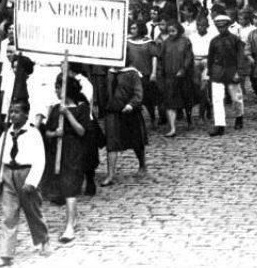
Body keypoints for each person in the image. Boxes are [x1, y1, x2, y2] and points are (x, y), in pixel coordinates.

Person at [0, 99, 50, 266]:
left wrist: (32, 181)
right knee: (8, 215)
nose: (13, 115)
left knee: (33, 212)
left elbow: (40, 159)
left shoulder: (33, 134)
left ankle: (43, 239)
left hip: (26, 174)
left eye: (17, 112)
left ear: (26, 114)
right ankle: (5, 254)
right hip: (9, 174)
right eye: (11, 112)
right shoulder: (6, 134)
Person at [44, 75, 90, 244]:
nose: (55, 91)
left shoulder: (82, 108)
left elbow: (82, 131)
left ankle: (69, 227)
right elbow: (47, 132)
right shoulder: (56, 108)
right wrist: (55, 133)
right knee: (64, 187)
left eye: (58, 88)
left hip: (75, 152)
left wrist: (68, 114)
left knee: (70, 187)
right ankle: (73, 218)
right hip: (59, 152)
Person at [101, 58, 147, 186]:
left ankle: (142, 164)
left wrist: (131, 105)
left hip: (129, 112)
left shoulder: (132, 73)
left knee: (136, 140)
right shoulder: (110, 73)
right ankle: (110, 175)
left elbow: (138, 93)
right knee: (111, 142)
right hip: (112, 112)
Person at [206, 14, 244, 136]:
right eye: (218, 27)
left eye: (223, 26)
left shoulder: (235, 40)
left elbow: (240, 57)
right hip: (218, 71)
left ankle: (239, 116)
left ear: (228, 26)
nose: (221, 29)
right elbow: (210, 58)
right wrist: (209, 73)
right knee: (217, 98)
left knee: (236, 97)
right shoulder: (214, 41)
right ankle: (219, 125)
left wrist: (238, 72)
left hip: (232, 70)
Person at [158, 20, 194, 136]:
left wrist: (183, 69)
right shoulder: (165, 43)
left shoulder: (185, 41)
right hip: (169, 77)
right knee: (170, 102)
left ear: (178, 30)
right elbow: (161, 59)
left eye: (173, 31)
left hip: (183, 76)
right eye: (169, 31)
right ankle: (172, 128)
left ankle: (189, 119)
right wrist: (161, 73)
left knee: (186, 99)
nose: (171, 33)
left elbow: (188, 57)